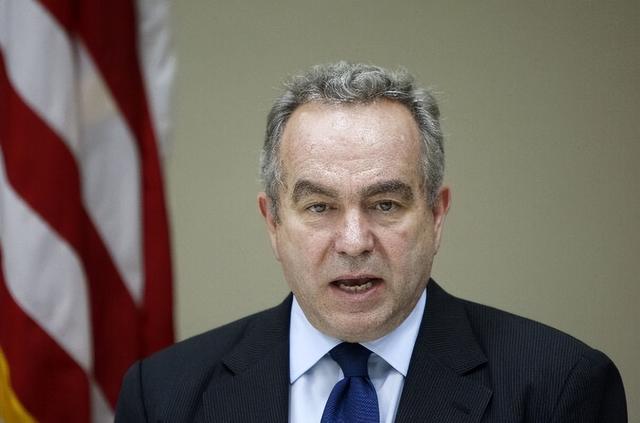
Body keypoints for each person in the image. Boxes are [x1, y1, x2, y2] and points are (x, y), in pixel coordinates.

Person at [115, 62, 627, 422]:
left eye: (385, 204)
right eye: (320, 207)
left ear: (436, 215)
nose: (354, 241)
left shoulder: (561, 387)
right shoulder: (163, 395)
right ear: (272, 222)